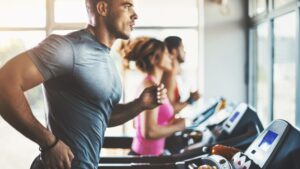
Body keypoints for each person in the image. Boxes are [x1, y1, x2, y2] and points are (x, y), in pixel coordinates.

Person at [0, 0, 167, 169]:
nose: (135, 14)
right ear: (102, 8)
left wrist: (139, 105)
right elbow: (4, 84)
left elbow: (101, 116)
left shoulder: (107, 60)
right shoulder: (68, 48)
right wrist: (48, 142)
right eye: (126, 5)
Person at [125, 38, 186, 156]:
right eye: (167, 54)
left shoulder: (154, 84)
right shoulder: (150, 87)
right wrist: (177, 126)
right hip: (143, 159)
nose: (171, 57)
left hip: (153, 156)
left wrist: (170, 123)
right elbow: (149, 132)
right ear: (155, 59)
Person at [162, 36, 200, 114]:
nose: (185, 52)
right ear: (174, 51)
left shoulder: (173, 74)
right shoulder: (170, 75)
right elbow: (170, 110)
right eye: (182, 48)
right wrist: (191, 100)